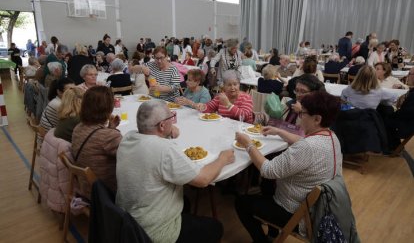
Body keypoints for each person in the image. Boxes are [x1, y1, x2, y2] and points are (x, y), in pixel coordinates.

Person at [116, 100, 234, 243]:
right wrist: (223, 159)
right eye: (171, 117)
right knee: (216, 227)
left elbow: (152, 146)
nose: (173, 120)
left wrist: (166, 134)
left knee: (185, 202)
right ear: (161, 125)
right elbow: (203, 179)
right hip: (153, 232)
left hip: (127, 221)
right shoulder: (164, 150)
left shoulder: (128, 137)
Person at [235, 91, 342, 243]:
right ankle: (272, 232)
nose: (300, 117)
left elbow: (267, 170)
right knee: (267, 186)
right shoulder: (331, 137)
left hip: (297, 214)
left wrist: (248, 144)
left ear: (317, 119)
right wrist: (279, 131)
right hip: (320, 208)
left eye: (302, 114)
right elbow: (303, 141)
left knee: (241, 202)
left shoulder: (307, 147)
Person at [72, 86, 122, 198]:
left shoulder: (78, 127)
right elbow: (132, 157)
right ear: (108, 108)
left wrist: (111, 128)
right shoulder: (109, 137)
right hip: (104, 193)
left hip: (85, 186)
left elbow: (98, 142)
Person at [384, 88, 414, 152]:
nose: (408, 77)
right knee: (387, 111)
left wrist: (394, 114)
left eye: (410, 76)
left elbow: (406, 112)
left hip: (408, 125)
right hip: (408, 121)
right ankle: (395, 145)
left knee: (383, 118)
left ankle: (391, 148)